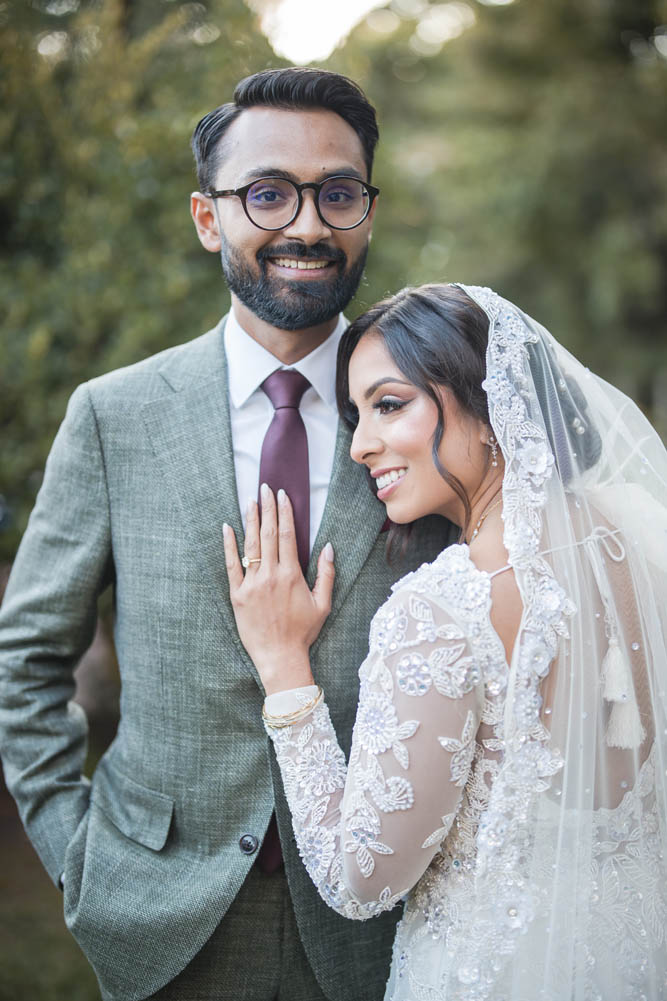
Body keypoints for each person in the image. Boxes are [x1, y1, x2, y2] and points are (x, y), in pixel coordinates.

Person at [0, 70, 452, 1001]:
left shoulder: (433, 414)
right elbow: (27, 658)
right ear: (209, 218)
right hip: (166, 915)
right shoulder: (112, 416)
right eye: (266, 192)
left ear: (367, 212)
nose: (307, 225)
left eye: (337, 192)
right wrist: (77, 857)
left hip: (387, 928)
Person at [223, 282, 667, 1001]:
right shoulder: (641, 542)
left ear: (488, 405)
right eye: (355, 414)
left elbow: (359, 878)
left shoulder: (443, 609)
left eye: (388, 404)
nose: (360, 443)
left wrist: (283, 668)